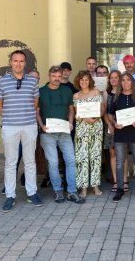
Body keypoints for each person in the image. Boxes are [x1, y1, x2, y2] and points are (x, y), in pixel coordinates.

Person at [0, 50, 42, 212]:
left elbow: (35, 102)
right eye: (15, 61)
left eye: (21, 61)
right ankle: (10, 195)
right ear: (10, 62)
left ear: (25, 63)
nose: (18, 64)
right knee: (10, 162)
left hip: (29, 125)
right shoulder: (2, 82)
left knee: (29, 161)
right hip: (10, 126)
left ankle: (32, 192)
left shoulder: (32, 81)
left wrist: (25, 114)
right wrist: (9, 116)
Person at [37, 66, 84, 204]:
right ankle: (58, 191)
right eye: (54, 76)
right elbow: (37, 111)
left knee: (70, 160)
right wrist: (41, 126)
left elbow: (71, 109)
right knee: (53, 163)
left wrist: (70, 123)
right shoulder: (41, 91)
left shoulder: (67, 90)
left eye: (59, 76)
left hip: (64, 131)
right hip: (47, 133)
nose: (57, 79)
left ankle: (71, 191)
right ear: (49, 76)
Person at [108, 73, 135, 203]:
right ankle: (120, 189)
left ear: (132, 82)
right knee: (120, 162)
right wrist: (114, 123)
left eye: (128, 80)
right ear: (120, 83)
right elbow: (109, 114)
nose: (126, 82)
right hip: (120, 134)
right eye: (123, 80)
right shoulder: (116, 97)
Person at [73, 70, 105, 198]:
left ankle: (96, 186)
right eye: (81, 80)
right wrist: (85, 119)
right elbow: (77, 113)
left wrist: (96, 118)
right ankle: (84, 187)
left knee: (96, 156)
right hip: (82, 128)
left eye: (86, 80)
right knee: (82, 157)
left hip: (96, 126)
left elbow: (102, 108)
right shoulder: (76, 96)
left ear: (90, 81)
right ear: (78, 81)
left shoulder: (96, 92)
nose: (84, 82)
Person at [102, 70, 130, 192]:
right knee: (113, 154)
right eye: (111, 77)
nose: (113, 79)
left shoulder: (124, 92)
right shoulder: (106, 93)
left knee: (123, 154)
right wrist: (110, 125)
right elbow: (104, 111)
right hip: (110, 127)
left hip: (125, 127)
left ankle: (124, 180)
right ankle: (115, 180)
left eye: (116, 77)